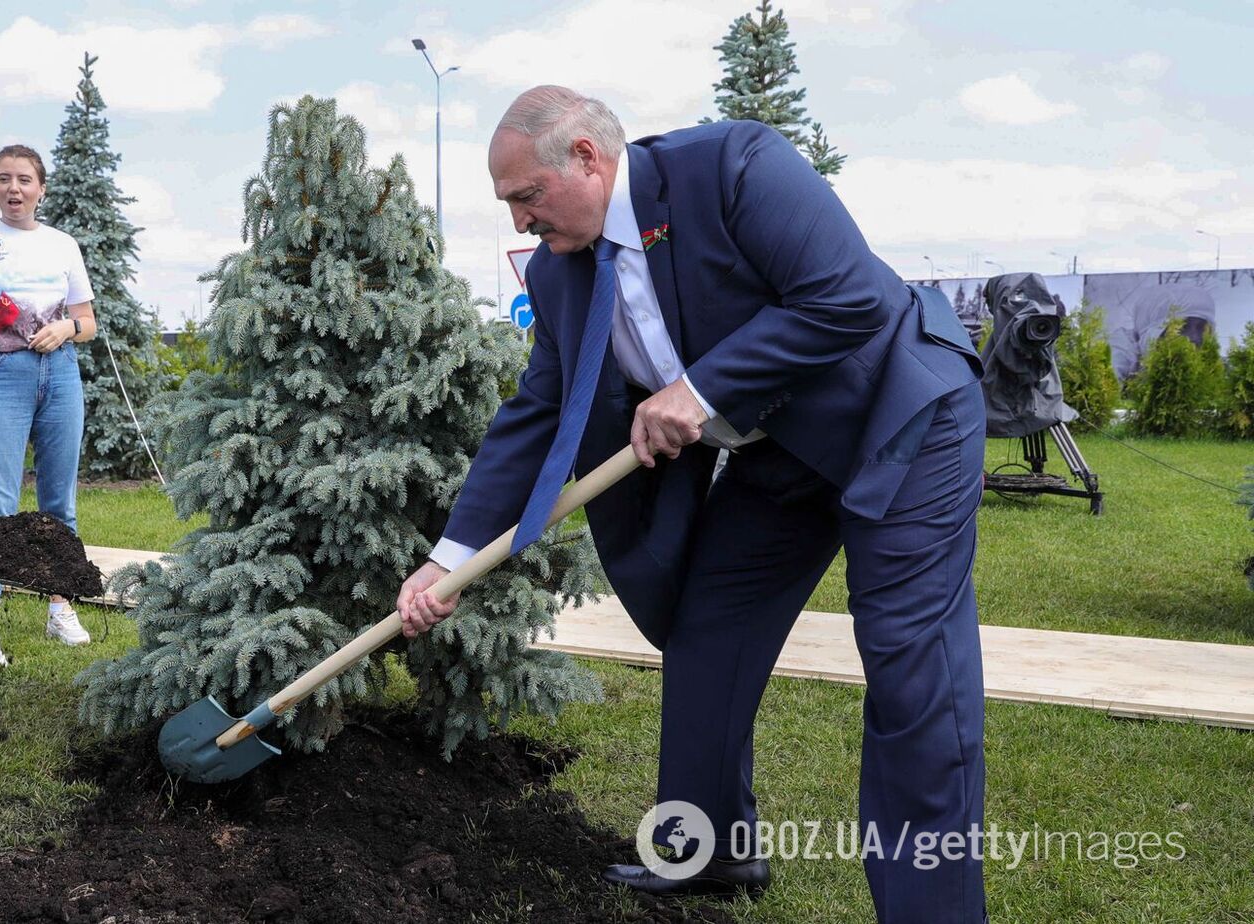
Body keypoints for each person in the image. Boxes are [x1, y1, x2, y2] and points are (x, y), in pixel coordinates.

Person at [396, 87, 986, 923]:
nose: (522, 224)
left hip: (900, 418)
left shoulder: (736, 167)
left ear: (588, 159)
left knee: (908, 664)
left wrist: (697, 389)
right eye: (510, 206)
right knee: (711, 626)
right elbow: (536, 415)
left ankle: (937, 910)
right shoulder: (566, 279)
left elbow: (847, 297)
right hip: (780, 454)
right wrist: (446, 563)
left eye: (527, 197)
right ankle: (707, 853)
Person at [0, 144, 99, 670]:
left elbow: (88, 323)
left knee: (61, 501)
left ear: (41, 188)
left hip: (61, 375)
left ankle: (59, 605)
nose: (14, 189)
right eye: (4, 179)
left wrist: (66, 328)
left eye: (24, 180)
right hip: (1, 375)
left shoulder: (63, 245)